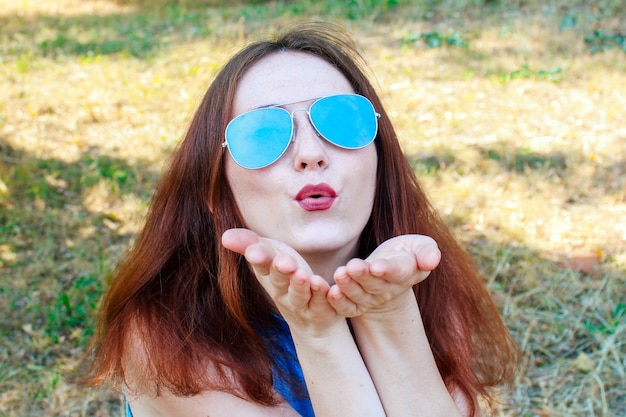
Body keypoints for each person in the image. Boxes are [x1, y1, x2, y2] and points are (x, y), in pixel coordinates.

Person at [76, 22, 518, 417]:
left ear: (380, 160)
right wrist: (318, 332)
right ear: (213, 190)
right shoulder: (170, 335)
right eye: (263, 135)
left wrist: (388, 312)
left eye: (342, 121)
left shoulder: (422, 287)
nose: (311, 154)